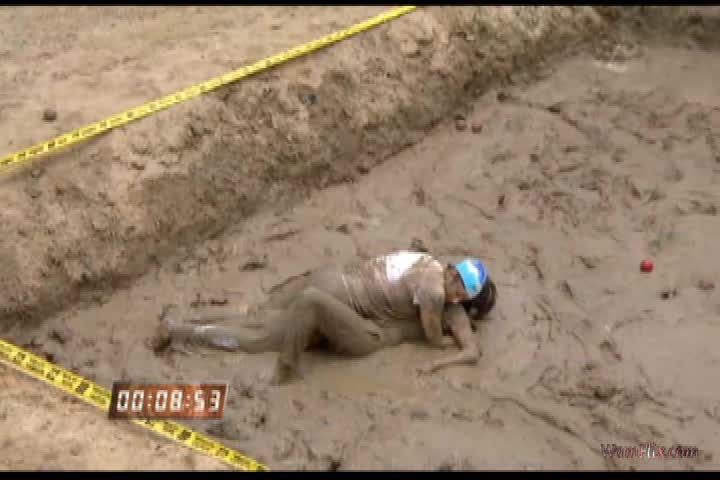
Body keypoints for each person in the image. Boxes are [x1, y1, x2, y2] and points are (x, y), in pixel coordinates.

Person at [151, 250, 497, 384]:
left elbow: (470, 349)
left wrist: (445, 352)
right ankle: (182, 332)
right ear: (453, 277)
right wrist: (442, 347)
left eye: (461, 293)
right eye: (457, 288)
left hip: (337, 279)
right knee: (265, 335)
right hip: (349, 311)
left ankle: (184, 321)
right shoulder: (437, 296)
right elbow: (437, 337)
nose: (455, 295)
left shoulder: (426, 261)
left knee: (262, 317)